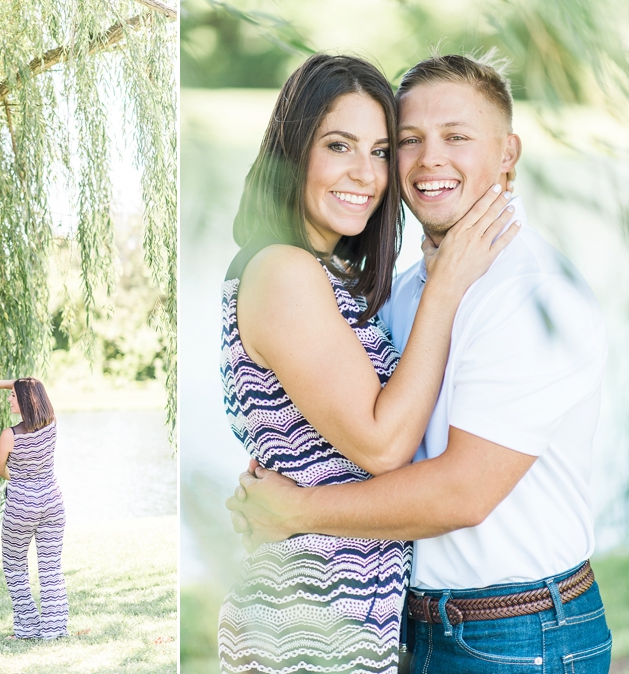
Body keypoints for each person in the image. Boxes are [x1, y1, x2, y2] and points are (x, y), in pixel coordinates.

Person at [227, 52, 611, 673]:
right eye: (408, 141)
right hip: (396, 622)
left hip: (516, 635)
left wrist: (296, 510)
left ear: (508, 154)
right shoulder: (409, 290)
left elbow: (463, 492)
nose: (429, 159)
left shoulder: (529, 292)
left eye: (456, 136)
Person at [0, 377, 68, 639]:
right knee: (51, 566)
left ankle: (28, 628)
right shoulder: (52, 422)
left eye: (13, 395)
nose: (9, 398)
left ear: (24, 400)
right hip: (52, 501)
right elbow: (34, 384)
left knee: (14, 565)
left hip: (21, 506)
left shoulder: (9, 435)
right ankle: (55, 629)